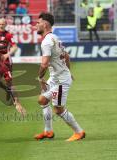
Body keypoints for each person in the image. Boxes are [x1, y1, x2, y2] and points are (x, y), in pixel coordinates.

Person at [33, 12, 85, 142]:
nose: (36, 25)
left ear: (45, 24)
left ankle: (79, 132)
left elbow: (44, 64)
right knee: (42, 100)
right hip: (56, 78)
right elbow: (66, 56)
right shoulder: (55, 37)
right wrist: (68, 70)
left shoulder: (46, 42)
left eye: (38, 23)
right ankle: (48, 132)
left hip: (61, 81)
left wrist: (40, 78)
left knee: (58, 110)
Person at [0, 18, 18, 103]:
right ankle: (7, 89)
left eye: (2, 24)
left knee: (9, 81)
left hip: (6, 62)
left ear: (5, 25)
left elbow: (15, 47)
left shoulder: (9, 35)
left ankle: (15, 102)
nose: (1, 26)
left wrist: (7, 54)